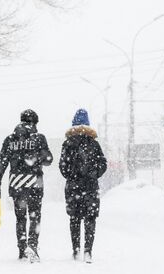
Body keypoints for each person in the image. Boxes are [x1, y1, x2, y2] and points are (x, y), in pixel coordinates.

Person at [0, 109, 53, 263]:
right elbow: (48, 160)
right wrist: (38, 157)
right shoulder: (39, 138)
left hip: (16, 184)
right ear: (35, 123)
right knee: (35, 216)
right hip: (35, 183)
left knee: (20, 217)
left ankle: (22, 249)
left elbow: (1, 163)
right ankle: (32, 246)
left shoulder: (10, 140)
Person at [59, 108, 107, 263]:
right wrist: (94, 174)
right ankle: (88, 251)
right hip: (91, 187)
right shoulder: (94, 144)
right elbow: (103, 164)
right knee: (90, 218)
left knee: (74, 218)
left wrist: (72, 176)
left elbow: (63, 167)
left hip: (73, 187)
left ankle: (76, 250)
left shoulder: (67, 144)